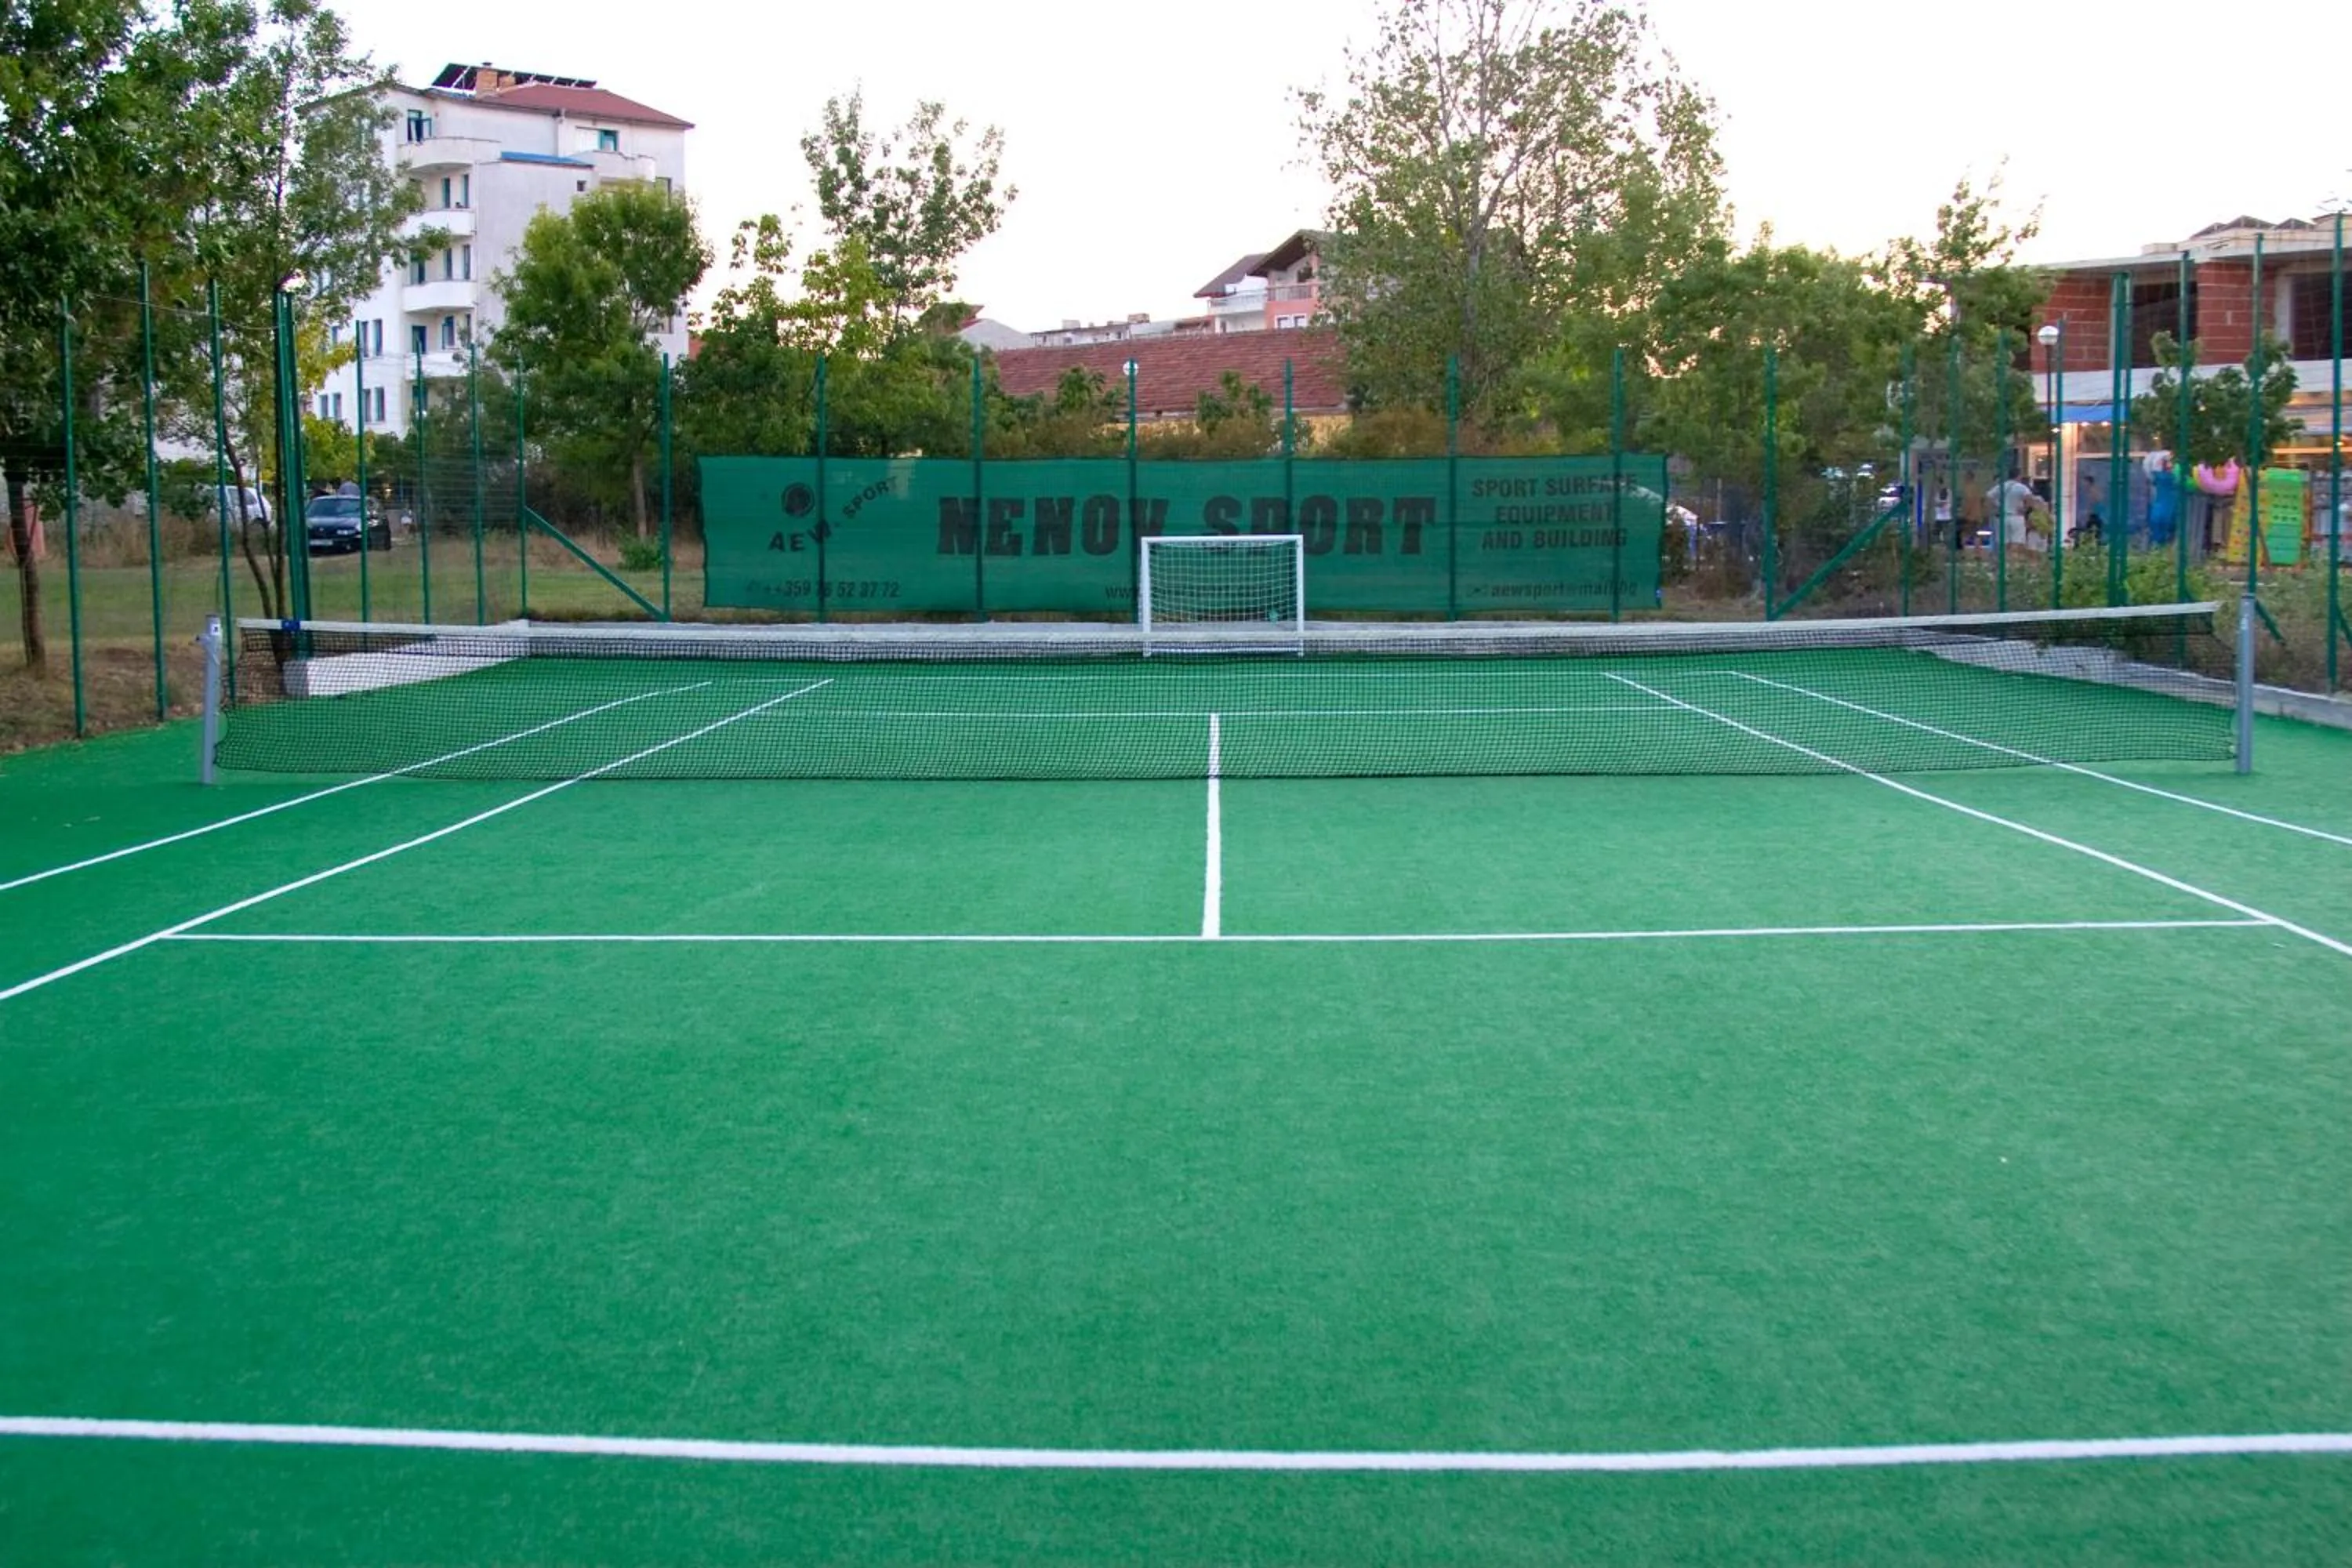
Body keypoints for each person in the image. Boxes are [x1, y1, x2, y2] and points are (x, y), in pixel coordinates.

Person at [1986, 471, 2042, 553]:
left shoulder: (2001, 486)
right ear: (2018, 476)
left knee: (2004, 542)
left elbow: (1989, 497)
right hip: (2016, 517)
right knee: (2016, 541)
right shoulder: (2021, 487)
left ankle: (2005, 560)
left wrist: (1997, 506)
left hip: (2003, 517)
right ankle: (2011, 558)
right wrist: (2025, 509)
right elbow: (2030, 499)